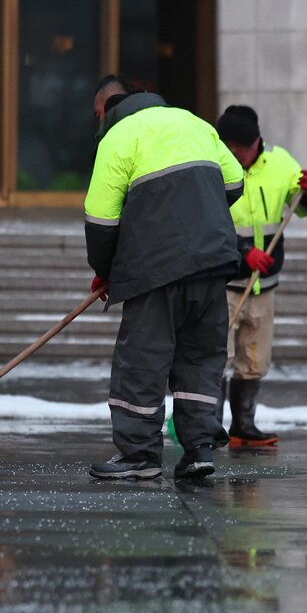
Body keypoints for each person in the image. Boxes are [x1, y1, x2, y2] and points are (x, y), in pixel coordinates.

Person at [83, 78, 245, 481]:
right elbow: (234, 181)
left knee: (143, 360)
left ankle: (139, 455)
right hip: (212, 263)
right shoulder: (194, 122)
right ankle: (198, 450)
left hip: (155, 268)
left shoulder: (117, 138)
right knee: (201, 358)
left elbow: (101, 220)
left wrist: (106, 271)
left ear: (106, 109)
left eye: (96, 115)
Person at [215, 105, 307, 447]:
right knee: (217, 358)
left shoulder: (280, 164)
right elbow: (206, 223)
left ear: (256, 141)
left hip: (264, 284)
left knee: (255, 358)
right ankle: (209, 428)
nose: (236, 154)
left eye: (241, 148)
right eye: (229, 147)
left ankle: (243, 425)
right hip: (224, 283)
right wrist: (242, 252)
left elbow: (300, 207)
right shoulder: (213, 165)